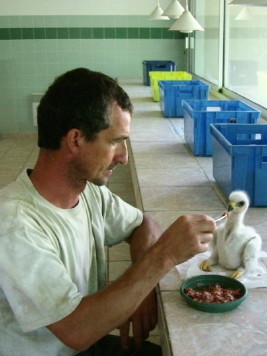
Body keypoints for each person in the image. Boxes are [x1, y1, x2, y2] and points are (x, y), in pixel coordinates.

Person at [0, 68, 216, 356]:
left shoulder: (90, 192)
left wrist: (143, 290)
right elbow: (75, 330)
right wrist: (163, 256)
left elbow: (142, 225)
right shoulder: (14, 223)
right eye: (115, 141)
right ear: (76, 139)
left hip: (91, 342)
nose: (124, 157)